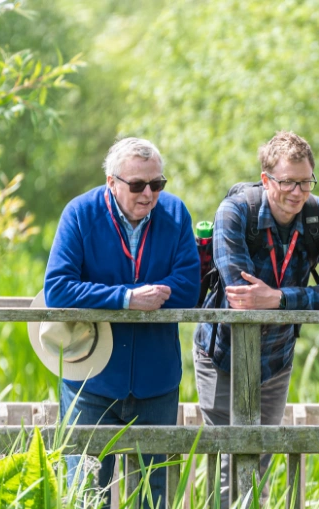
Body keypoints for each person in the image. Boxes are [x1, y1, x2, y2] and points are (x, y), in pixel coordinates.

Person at [193, 131, 319, 508]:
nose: (297, 193)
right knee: (226, 455)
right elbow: (240, 295)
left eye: (305, 182)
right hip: (221, 351)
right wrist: (283, 300)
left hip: (277, 354)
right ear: (266, 180)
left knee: (261, 456)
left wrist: (279, 298)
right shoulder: (235, 211)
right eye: (287, 182)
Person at [43, 137, 201, 508]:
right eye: (137, 185)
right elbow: (58, 289)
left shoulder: (176, 214)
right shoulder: (79, 213)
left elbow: (188, 287)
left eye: (157, 184)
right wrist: (127, 298)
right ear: (111, 183)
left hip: (157, 381)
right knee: (83, 496)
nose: (148, 194)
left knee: (156, 497)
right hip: (91, 379)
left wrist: (125, 295)